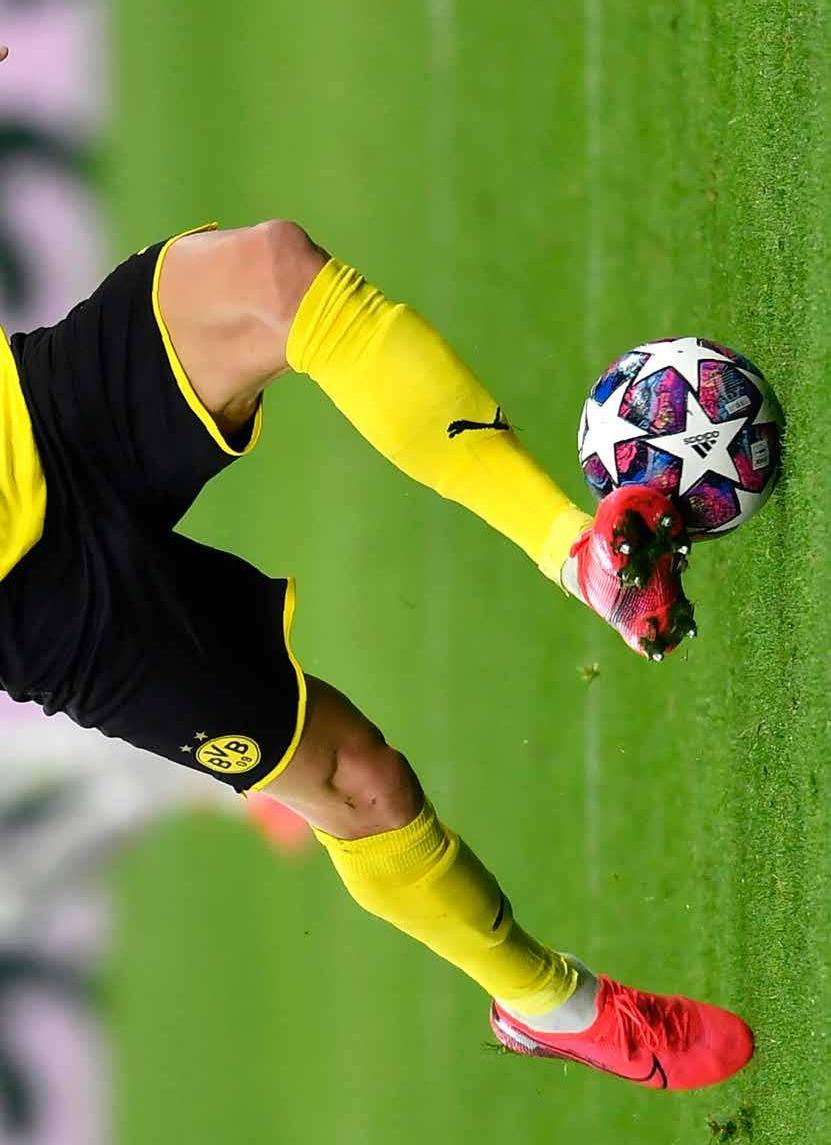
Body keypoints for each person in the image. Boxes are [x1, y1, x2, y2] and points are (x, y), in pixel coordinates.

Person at [0, 43, 752, 1093]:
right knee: (359, 780)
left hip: (34, 408)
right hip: (42, 604)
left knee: (272, 278)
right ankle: (550, 1003)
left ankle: (577, 554)